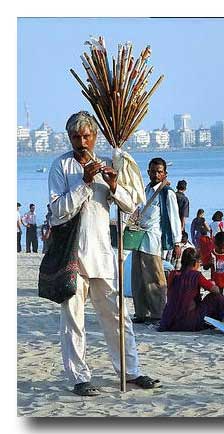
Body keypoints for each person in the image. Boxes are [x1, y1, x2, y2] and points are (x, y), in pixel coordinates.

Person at [48, 111, 160, 395]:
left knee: (117, 316)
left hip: (102, 255)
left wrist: (112, 185)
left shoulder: (107, 164)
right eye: (76, 137)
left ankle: (131, 371)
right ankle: (79, 377)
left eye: (86, 136)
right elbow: (57, 213)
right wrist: (84, 183)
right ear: (69, 138)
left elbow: (129, 208)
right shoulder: (60, 166)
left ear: (95, 137)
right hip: (72, 257)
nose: (81, 142)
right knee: (73, 319)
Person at [131, 157, 182, 324]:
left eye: (159, 171)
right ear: (148, 172)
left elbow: (174, 218)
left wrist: (177, 242)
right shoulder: (145, 190)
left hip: (154, 241)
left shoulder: (168, 193)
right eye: (153, 171)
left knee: (154, 278)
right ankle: (141, 313)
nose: (156, 174)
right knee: (138, 279)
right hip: (138, 239)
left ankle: (158, 313)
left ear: (164, 173)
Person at [158, 248, 224, 332]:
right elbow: (216, 290)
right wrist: (210, 284)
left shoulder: (173, 274)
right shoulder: (196, 275)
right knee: (216, 297)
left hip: (170, 322)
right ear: (195, 263)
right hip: (188, 322)